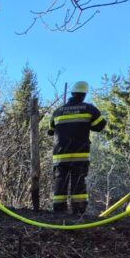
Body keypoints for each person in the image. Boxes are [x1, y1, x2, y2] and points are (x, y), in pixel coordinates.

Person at [47, 81, 106, 214]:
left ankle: (59, 211)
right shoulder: (89, 109)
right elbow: (100, 126)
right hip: (79, 154)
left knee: (60, 181)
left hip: (60, 155)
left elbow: (50, 131)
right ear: (84, 94)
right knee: (78, 181)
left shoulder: (57, 111)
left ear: (72, 93)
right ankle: (78, 212)